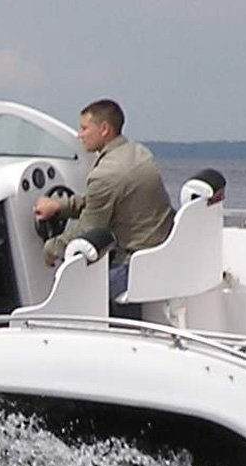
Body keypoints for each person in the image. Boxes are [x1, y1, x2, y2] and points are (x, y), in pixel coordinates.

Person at [34, 98, 174, 310]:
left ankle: (119, 327)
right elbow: (100, 201)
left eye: (84, 128)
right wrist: (59, 206)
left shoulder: (107, 173)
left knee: (74, 293)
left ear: (104, 129)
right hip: (159, 250)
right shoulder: (138, 153)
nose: (79, 135)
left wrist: (51, 248)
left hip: (133, 264)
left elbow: (89, 230)